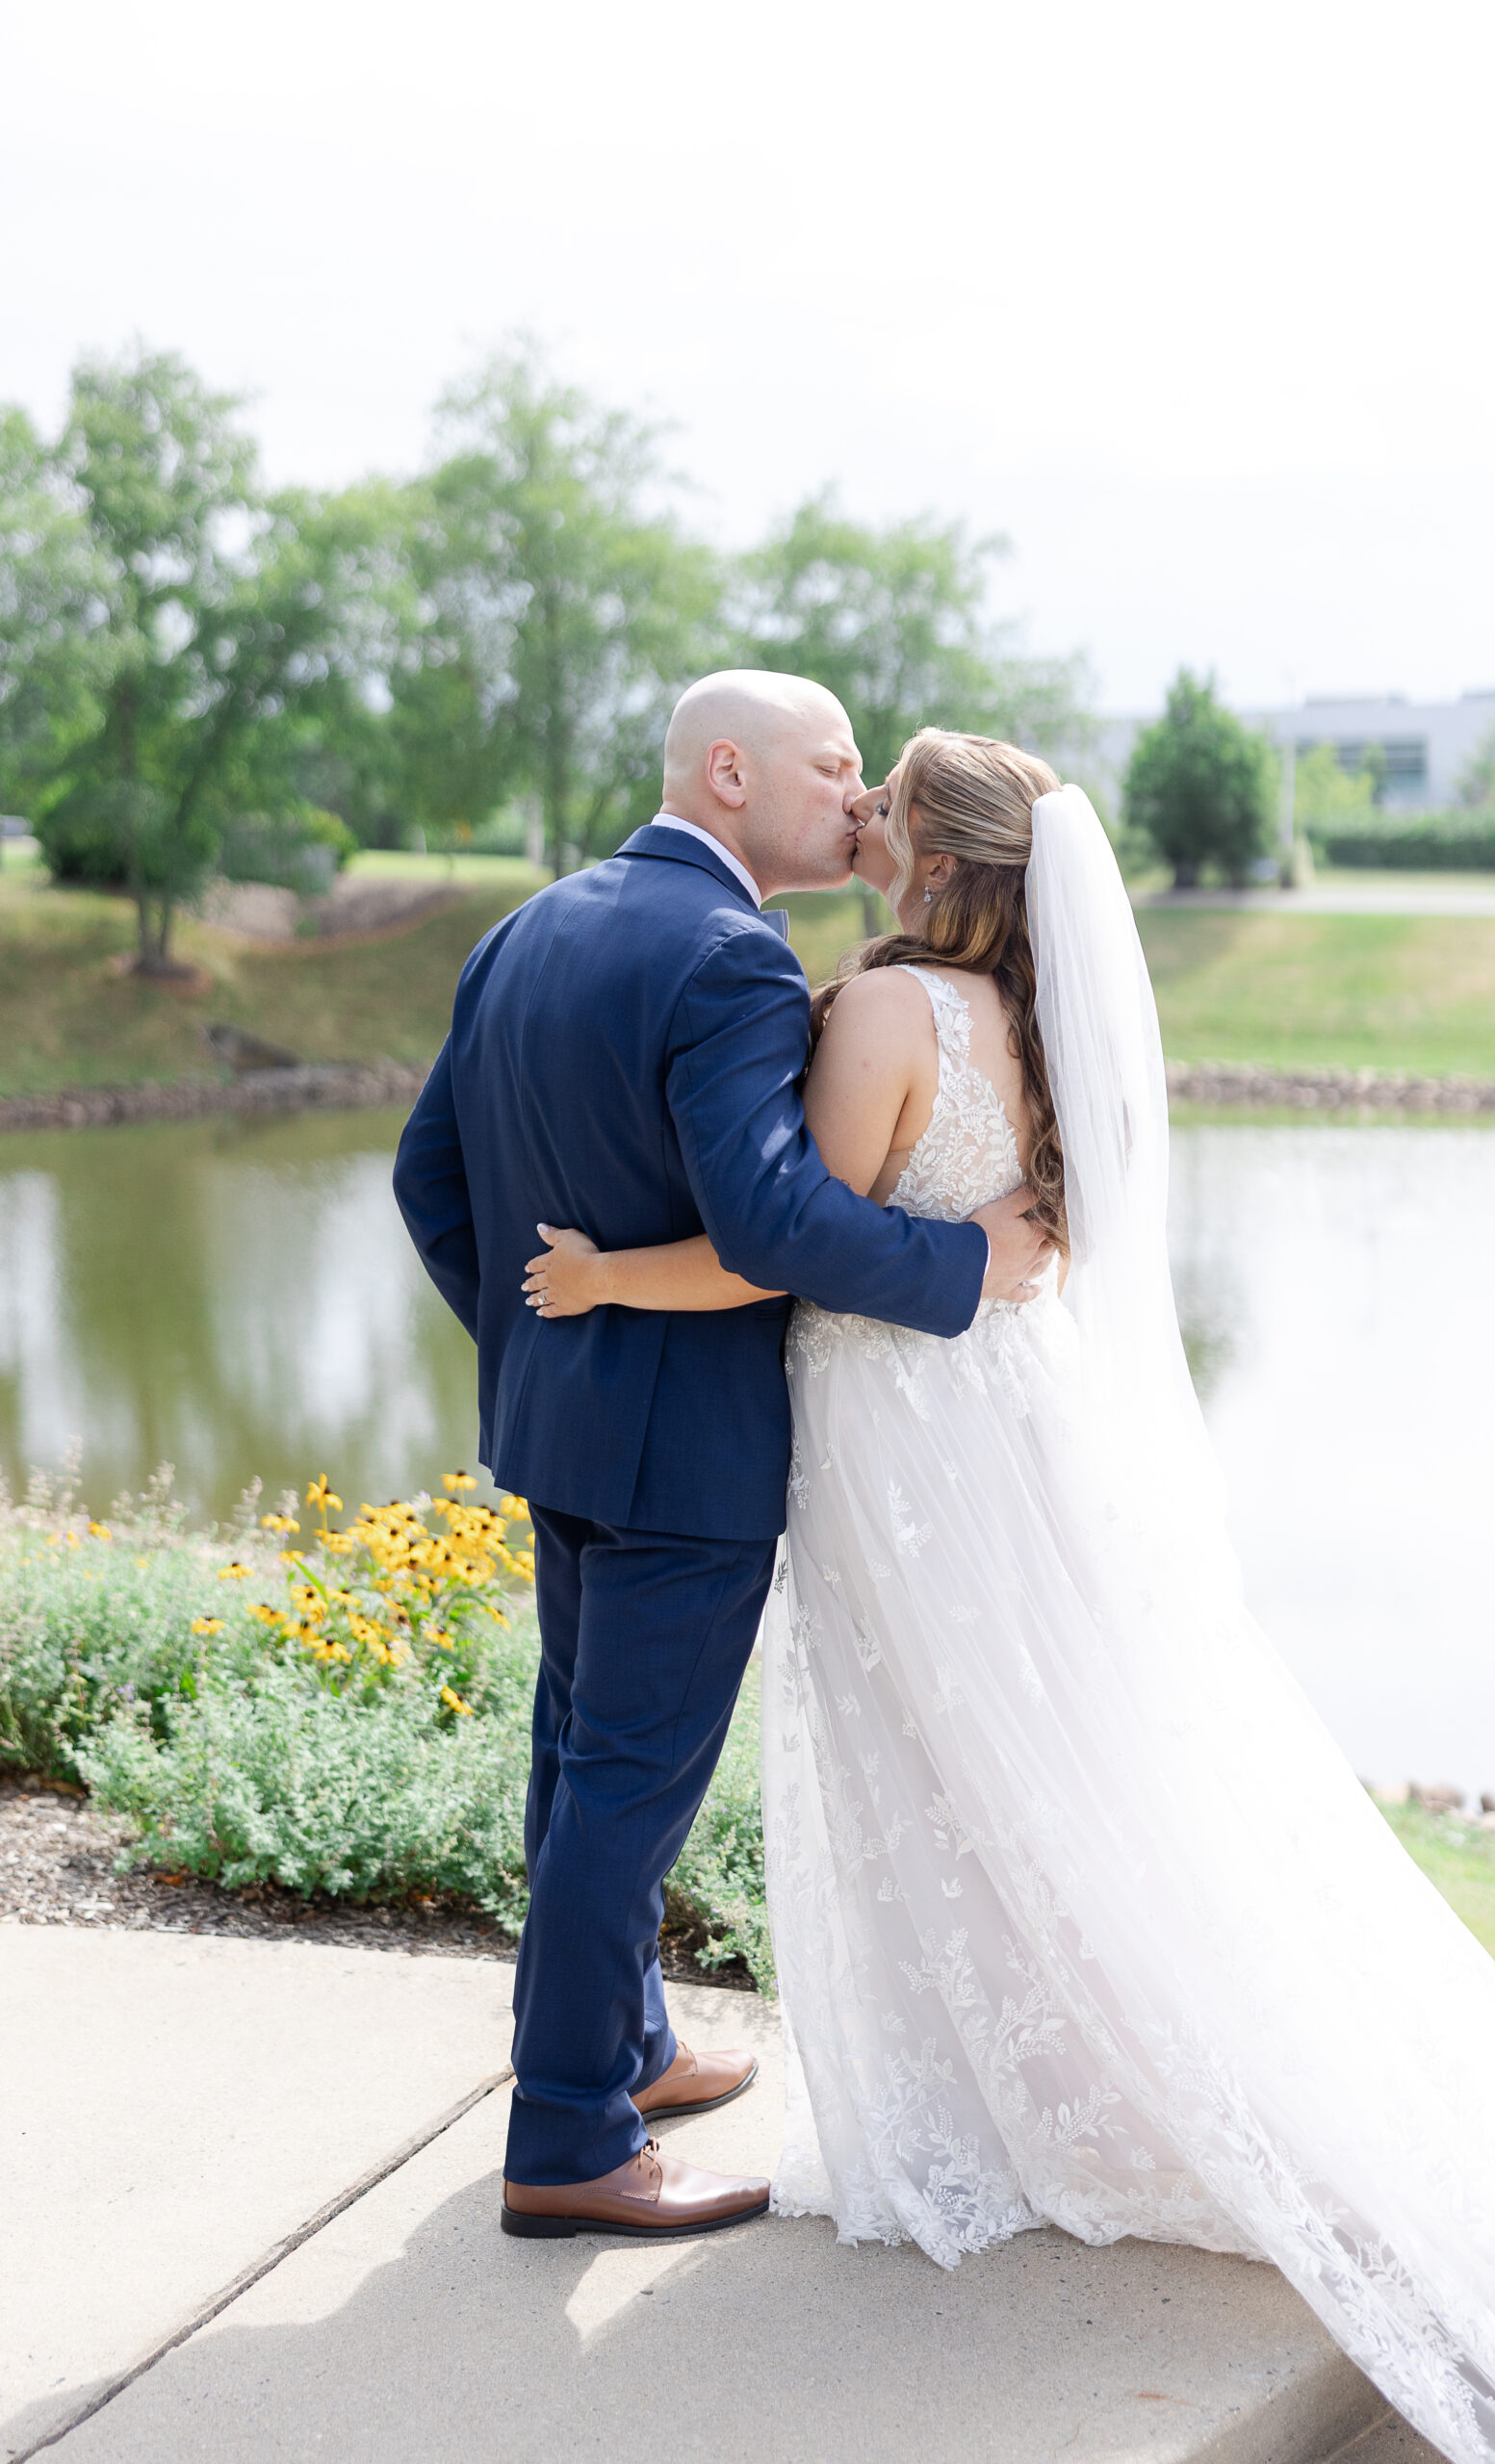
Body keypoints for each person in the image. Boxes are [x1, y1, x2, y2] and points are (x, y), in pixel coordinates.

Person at [523, 729, 1495, 2464]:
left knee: (937, 1766)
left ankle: (990, 2103)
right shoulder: (1031, 1024)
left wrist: (599, 1279)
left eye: (887, 800)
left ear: (948, 863)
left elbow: (777, 1244)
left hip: (903, 1436)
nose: (866, 817)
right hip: (1002, 1423)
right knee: (1052, 1766)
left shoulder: (886, 1013)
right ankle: (1054, 2083)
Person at [394, 677, 1051, 2243]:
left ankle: (628, 2047)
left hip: (561, 1432)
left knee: (578, 1761)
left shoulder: (527, 927)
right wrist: (973, 1268)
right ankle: (567, 2138)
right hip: (683, 1457)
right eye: (833, 767)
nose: (855, 793)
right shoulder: (735, 956)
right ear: (733, 771)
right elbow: (769, 1226)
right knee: (627, 1794)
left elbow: (432, 1179)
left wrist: (554, 1346)